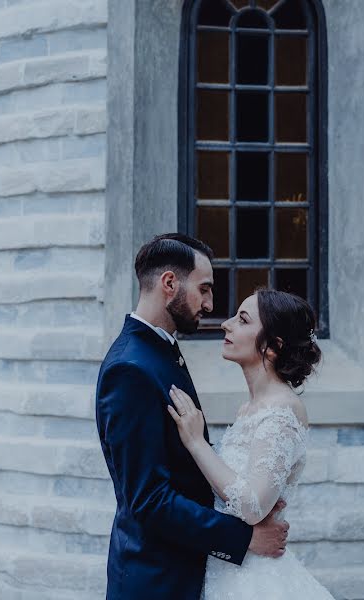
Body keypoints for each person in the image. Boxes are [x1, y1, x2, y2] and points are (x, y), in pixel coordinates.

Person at [95, 233, 290, 600]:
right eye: (204, 289)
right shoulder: (130, 369)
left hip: (183, 572)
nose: (210, 303)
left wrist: (247, 499)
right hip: (155, 581)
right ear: (170, 283)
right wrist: (244, 538)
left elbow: (182, 471)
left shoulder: (161, 352)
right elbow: (149, 500)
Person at [168, 289, 335, 599]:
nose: (226, 325)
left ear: (273, 347)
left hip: (255, 582)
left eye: (242, 320)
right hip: (228, 568)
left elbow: (253, 505)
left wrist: (196, 442)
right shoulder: (250, 410)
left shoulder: (282, 411)